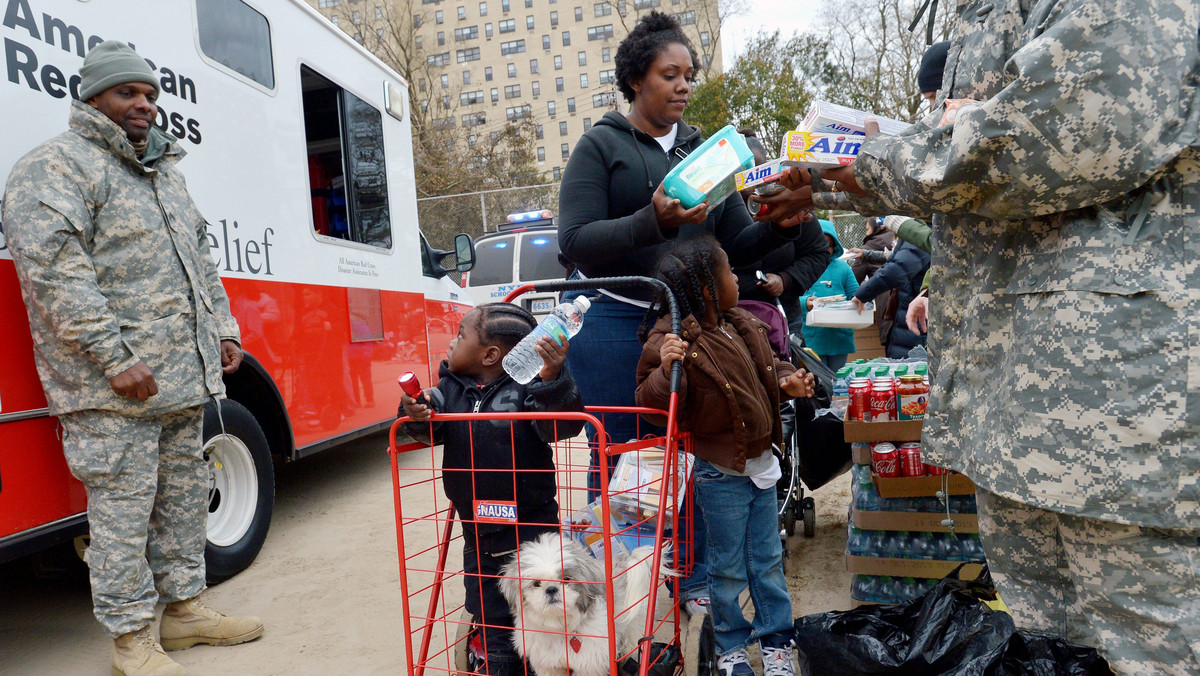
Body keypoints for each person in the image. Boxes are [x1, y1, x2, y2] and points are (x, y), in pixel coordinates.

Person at [758, 5, 1200, 673]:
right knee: (1046, 646)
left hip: (1117, 420)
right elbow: (979, 169)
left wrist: (874, 162)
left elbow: (1048, 137)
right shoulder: (986, 13)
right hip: (1023, 417)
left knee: (1142, 647)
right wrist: (833, 180)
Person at [2, 41, 262, 675]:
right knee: (121, 514)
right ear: (93, 99)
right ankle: (130, 642)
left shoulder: (163, 170)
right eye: (128, 93)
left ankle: (185, 613)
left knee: (182, 495)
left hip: (179, 376)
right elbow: (55, 275)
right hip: (112, 387)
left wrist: (221, 328)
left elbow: (199, 258)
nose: (144, 104)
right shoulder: (55, 167)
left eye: (150, 94)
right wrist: (113, 355)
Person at [556, 10, 801, 614]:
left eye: (689, 74)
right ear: (637, 79)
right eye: (671, 74)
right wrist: (652, 220)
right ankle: (610, 581)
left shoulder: (707, 149)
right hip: (616, 322)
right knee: (620, 456)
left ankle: (687, 580)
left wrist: (782, 226)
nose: (685, 86)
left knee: (693, 452)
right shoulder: (601, 146)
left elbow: (738, 246)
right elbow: (575, 240)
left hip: (692, 327)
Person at [634, 236, 813, 676]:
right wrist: (663, 371)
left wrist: (789, 380)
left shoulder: (740, 322)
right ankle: (730, 647)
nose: (737, 277)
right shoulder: (669, 339)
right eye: (729, 271)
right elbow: (650, 404)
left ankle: (776, 641)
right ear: (707, 288)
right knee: (728, 568)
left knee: (768, 562)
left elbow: (771, 363)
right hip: (720, 472)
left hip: (762, 465)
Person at [400, 303, 584, 676]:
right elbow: (427, 428)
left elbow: (561, 425)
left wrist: (552, 377)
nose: (452, 342)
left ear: (490, 354)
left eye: (461, 335)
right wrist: (415, 411)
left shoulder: (528, 389)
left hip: (533, 529)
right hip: (478, 531)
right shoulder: (448, 390)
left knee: (543, 612)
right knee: (492, 614)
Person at [733, 132, 830, 334]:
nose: (754, 183)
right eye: (745, 174)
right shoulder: (721, 207)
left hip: (783, 320)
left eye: (760, 172)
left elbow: (818, 254)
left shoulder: (790, 201)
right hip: (731, 321)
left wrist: (786, 279)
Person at [797, 220, 860, 371]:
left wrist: (861, 300)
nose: (825, 249)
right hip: (812, 338)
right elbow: (788, 300)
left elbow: (857, 294)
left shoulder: (842, 267)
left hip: (839, 337)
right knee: (819, 386)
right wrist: (806, 303)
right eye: (820, 243)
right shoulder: (800, 265)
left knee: (839, 385)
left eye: (830, 245)